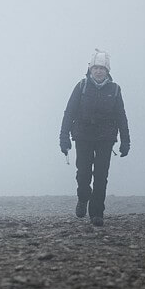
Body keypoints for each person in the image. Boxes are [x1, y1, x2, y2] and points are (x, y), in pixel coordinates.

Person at [60, 49, 130, 226]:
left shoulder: (115, 90)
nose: (99, 71)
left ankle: (97, 212)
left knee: (101, 175)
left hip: (105, 138)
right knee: (83, 173)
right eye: (95, 68)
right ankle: (83, 197)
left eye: (102, 68)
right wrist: (64, 137)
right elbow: (69, 112)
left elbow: (121, 115)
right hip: (83, 136)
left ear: (108, 71)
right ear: (90, 69)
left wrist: (125, 140)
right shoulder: (82, 86)